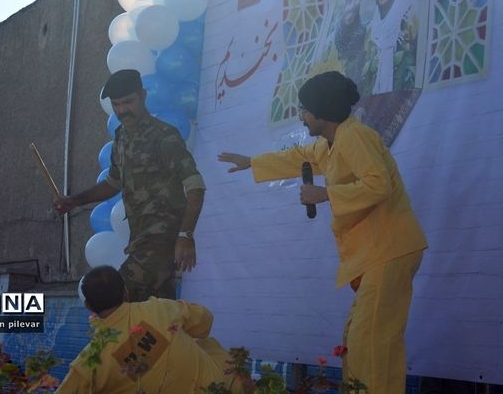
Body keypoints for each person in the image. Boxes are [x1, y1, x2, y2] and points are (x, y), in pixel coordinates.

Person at [218, 71, 427, 394]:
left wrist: (325, 194)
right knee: (362, 340)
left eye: (304, 110)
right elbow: (299, 156)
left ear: (322, 113)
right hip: (378, 253)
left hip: (390, 249)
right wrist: (253, 162)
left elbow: (378, 184)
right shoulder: (332, 142)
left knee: (372, 343)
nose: (301, 116)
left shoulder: (356, 136)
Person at [54, 69, 206, 301]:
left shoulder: (164, 136)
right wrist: (74, 201)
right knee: (159, 315)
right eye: (116, 104)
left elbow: (195, 186)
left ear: (143, 96)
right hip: (138, 239)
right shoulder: (121, 139)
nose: (122, 109)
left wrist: (186, 235)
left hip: (161, 239)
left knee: (114, 296)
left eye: (128, 102)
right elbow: (112, 184)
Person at [55, 265, 243, 394]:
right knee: (205, 344)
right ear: (125, 292)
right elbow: (205, 320)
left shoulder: (89, 365)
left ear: (88, 306)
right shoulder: (160, 308)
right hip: (226, 386)